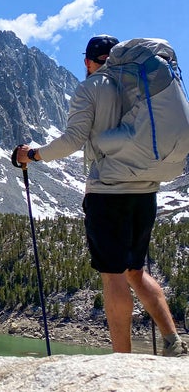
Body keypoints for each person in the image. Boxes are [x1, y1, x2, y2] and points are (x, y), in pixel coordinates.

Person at [15, 35, 188, 356]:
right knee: (136, 271)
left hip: (109, 192)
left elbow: (73, 139)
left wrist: (33, 154)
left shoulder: (91, 88)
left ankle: (121, 360)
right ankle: (173, 342)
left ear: (88, 62)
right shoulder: (135, 85)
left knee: (113, 276)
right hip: (146, 191)